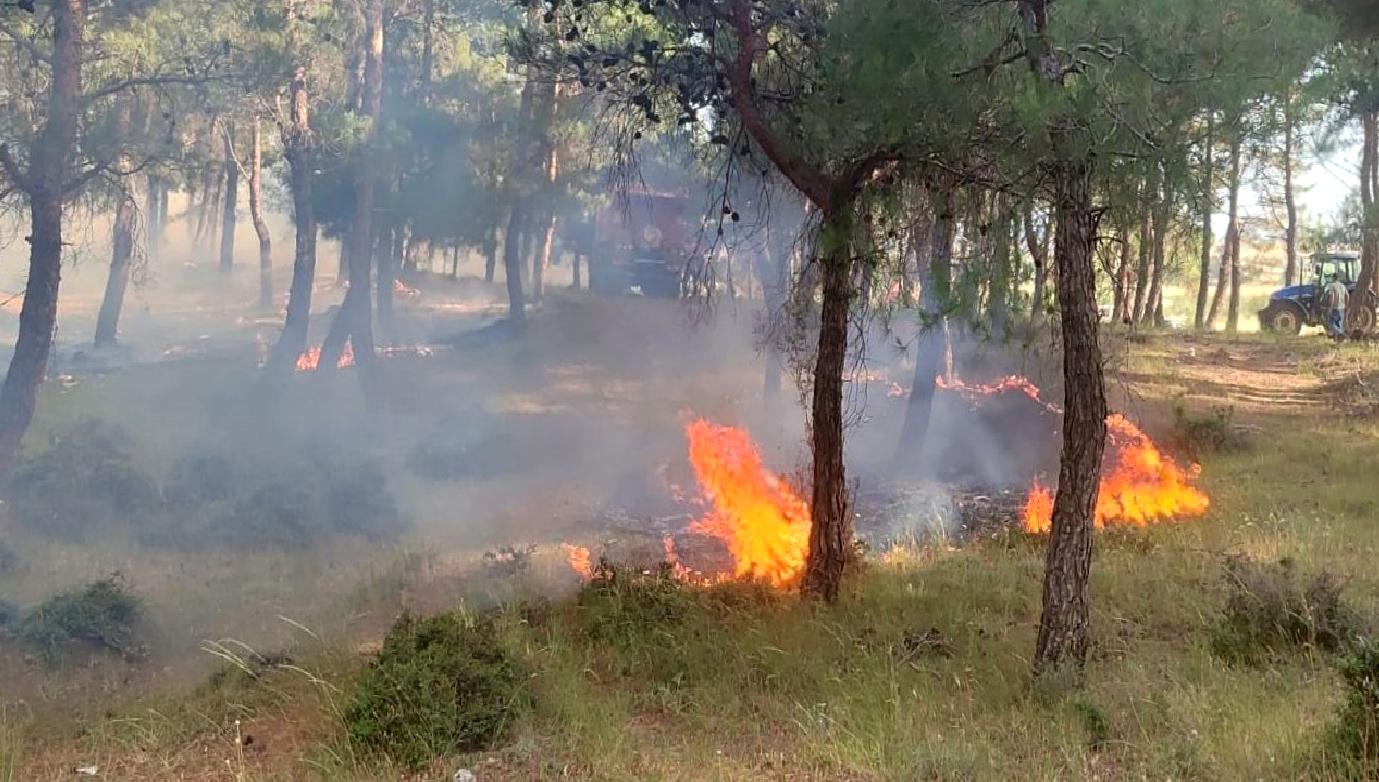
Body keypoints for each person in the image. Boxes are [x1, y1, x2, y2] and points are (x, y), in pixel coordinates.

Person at [1322, 273, 1349, 340]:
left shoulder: (1332, 286)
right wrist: (1346, 305)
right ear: (1338, 278)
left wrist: (1330, 308)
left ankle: (1339, 333)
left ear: (1333, 278)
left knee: (1330, 323)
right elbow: (1347, 296)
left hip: (1335, 307)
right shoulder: (1343, 286)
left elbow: (1332, 297)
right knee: (1340, 324)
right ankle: (1338, 339)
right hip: (1342, 307)